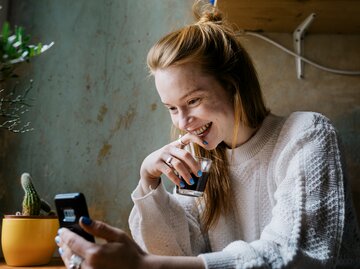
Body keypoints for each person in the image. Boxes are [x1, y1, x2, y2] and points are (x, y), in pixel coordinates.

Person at [56, 1, 360, 268]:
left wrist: (144, 266)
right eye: (172, 108)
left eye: (192, 101)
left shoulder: (306, 134)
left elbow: (293, 256)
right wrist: (149, 182)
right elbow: (177, 255)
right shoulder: (200, 161)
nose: (184, 121)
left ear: (233, 85)